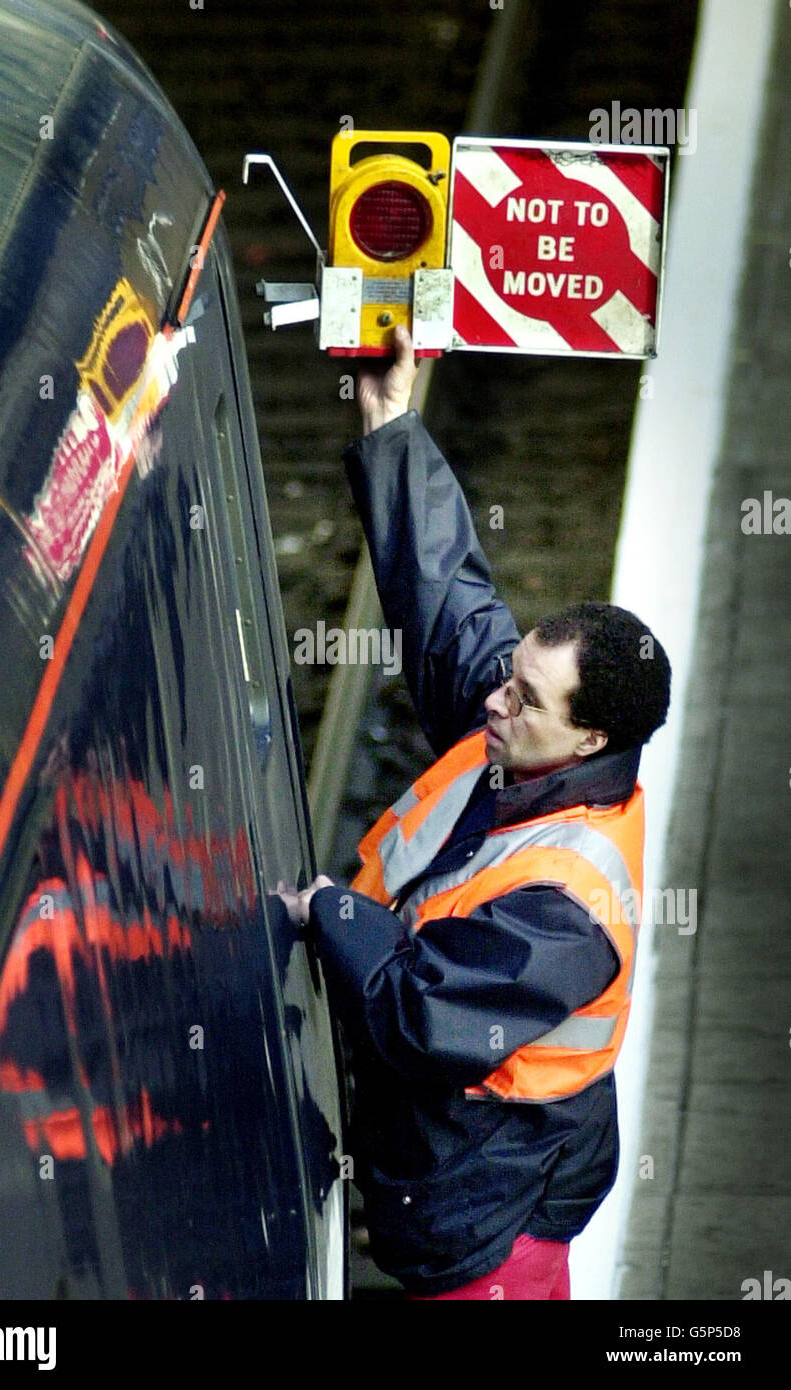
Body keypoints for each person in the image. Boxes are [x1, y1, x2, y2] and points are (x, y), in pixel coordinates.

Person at [277, 324, 671, 1300]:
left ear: (584, 740)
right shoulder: (526, 741)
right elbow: (450, 598)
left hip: (486, 1230)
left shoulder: (566, 908)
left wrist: (331, 910)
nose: (495, 699)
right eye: (513, 676)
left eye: (527, 697)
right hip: (461, 1178)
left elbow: (416, 1011)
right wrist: (390, 422)